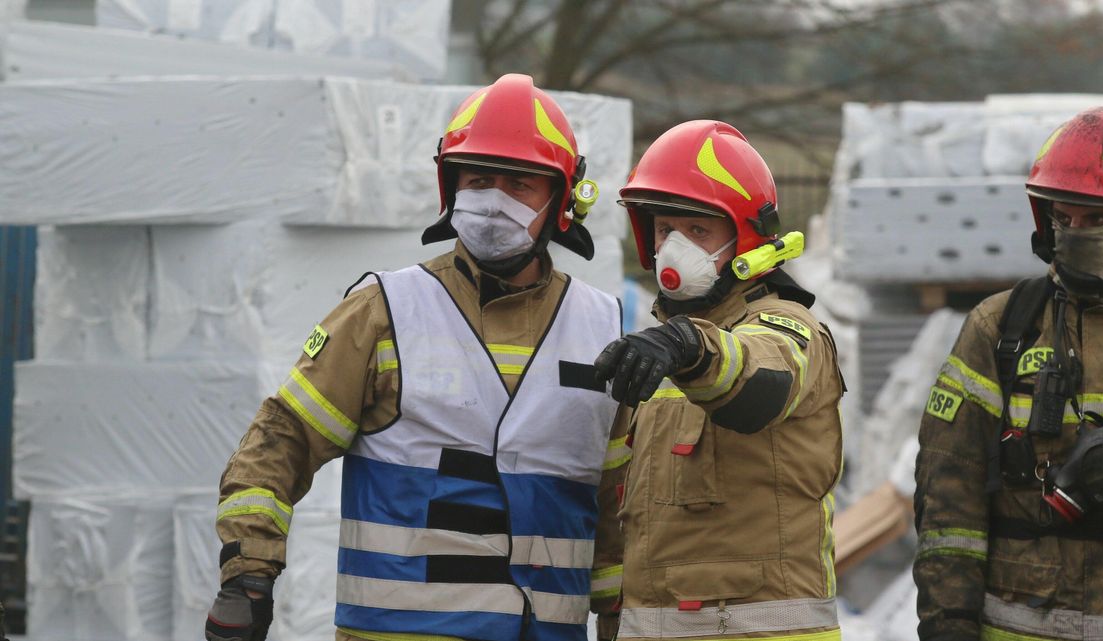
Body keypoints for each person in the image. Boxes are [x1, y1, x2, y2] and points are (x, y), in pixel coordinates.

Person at [205, 73, 628, 641]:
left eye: (520, 183)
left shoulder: (606, 330)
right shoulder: (382, 312)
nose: (495, 199)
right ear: (449, 187)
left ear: (561, 201)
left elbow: (620, 503)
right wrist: (247, 575)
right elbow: (281, 441)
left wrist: (620, 619)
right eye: (479, 179)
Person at [594, 120, 845, 640]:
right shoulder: (657, 354)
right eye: (666, 230)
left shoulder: (790, 328)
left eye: (698, 230)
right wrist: (611, 613)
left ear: (746, 238)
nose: (675, 247)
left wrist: (691, 344)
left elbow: (760, 385)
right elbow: (622, 505)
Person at [914, 106, 1103, 641]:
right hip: (1015, 623)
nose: (1077, 232)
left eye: (1099, 218)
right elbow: (949, 488)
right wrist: (949, 623)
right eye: (1066, 218)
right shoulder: (1001, 327)